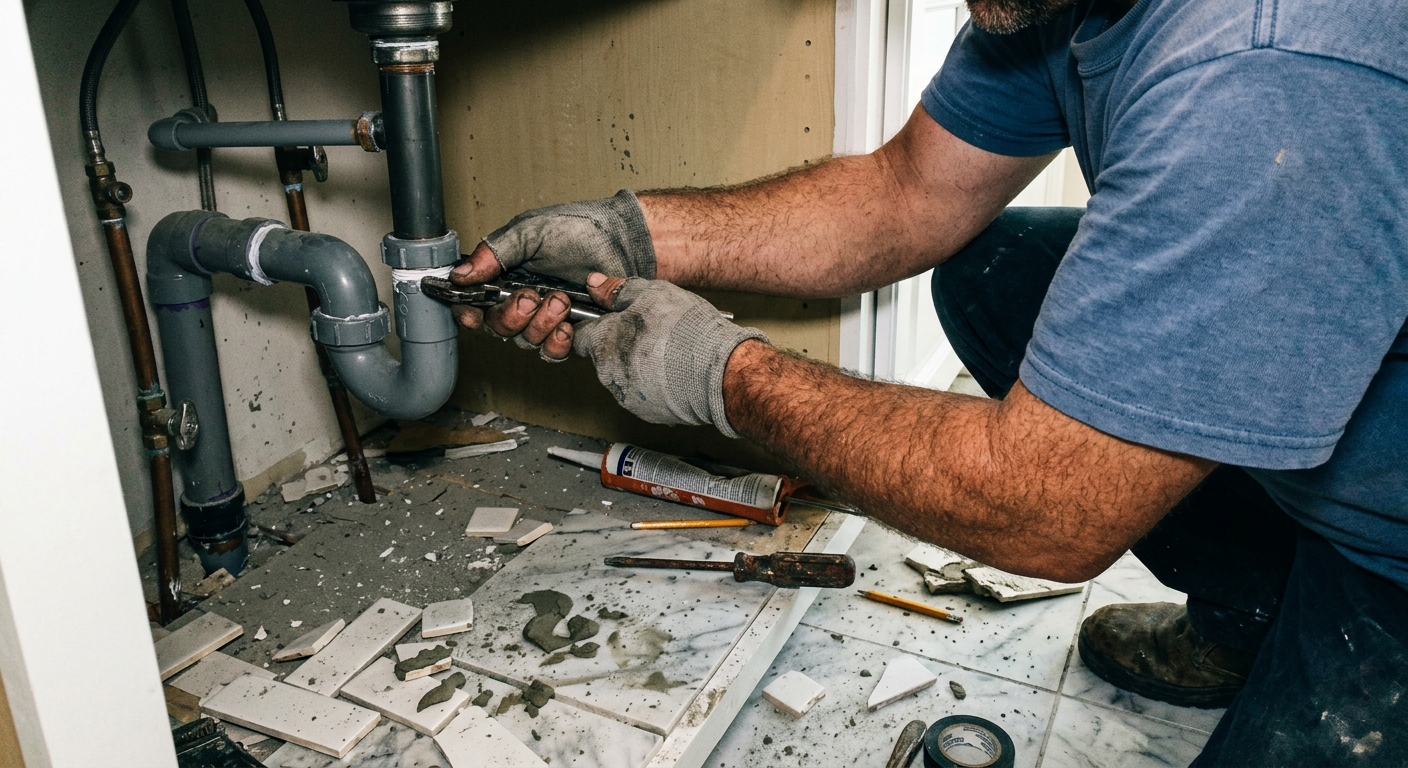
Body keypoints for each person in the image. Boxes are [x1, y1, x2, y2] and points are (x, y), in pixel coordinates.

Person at [448, 0, 1408, 762]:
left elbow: (1045, 508)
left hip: (1395, 540)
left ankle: (1331, 604)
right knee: (999, 275)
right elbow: (905, 192)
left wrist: (714, 371)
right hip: (1343, 389)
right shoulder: (1056, 8)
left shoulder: (1272, 66)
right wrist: (630, 235)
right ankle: (1253, 605)